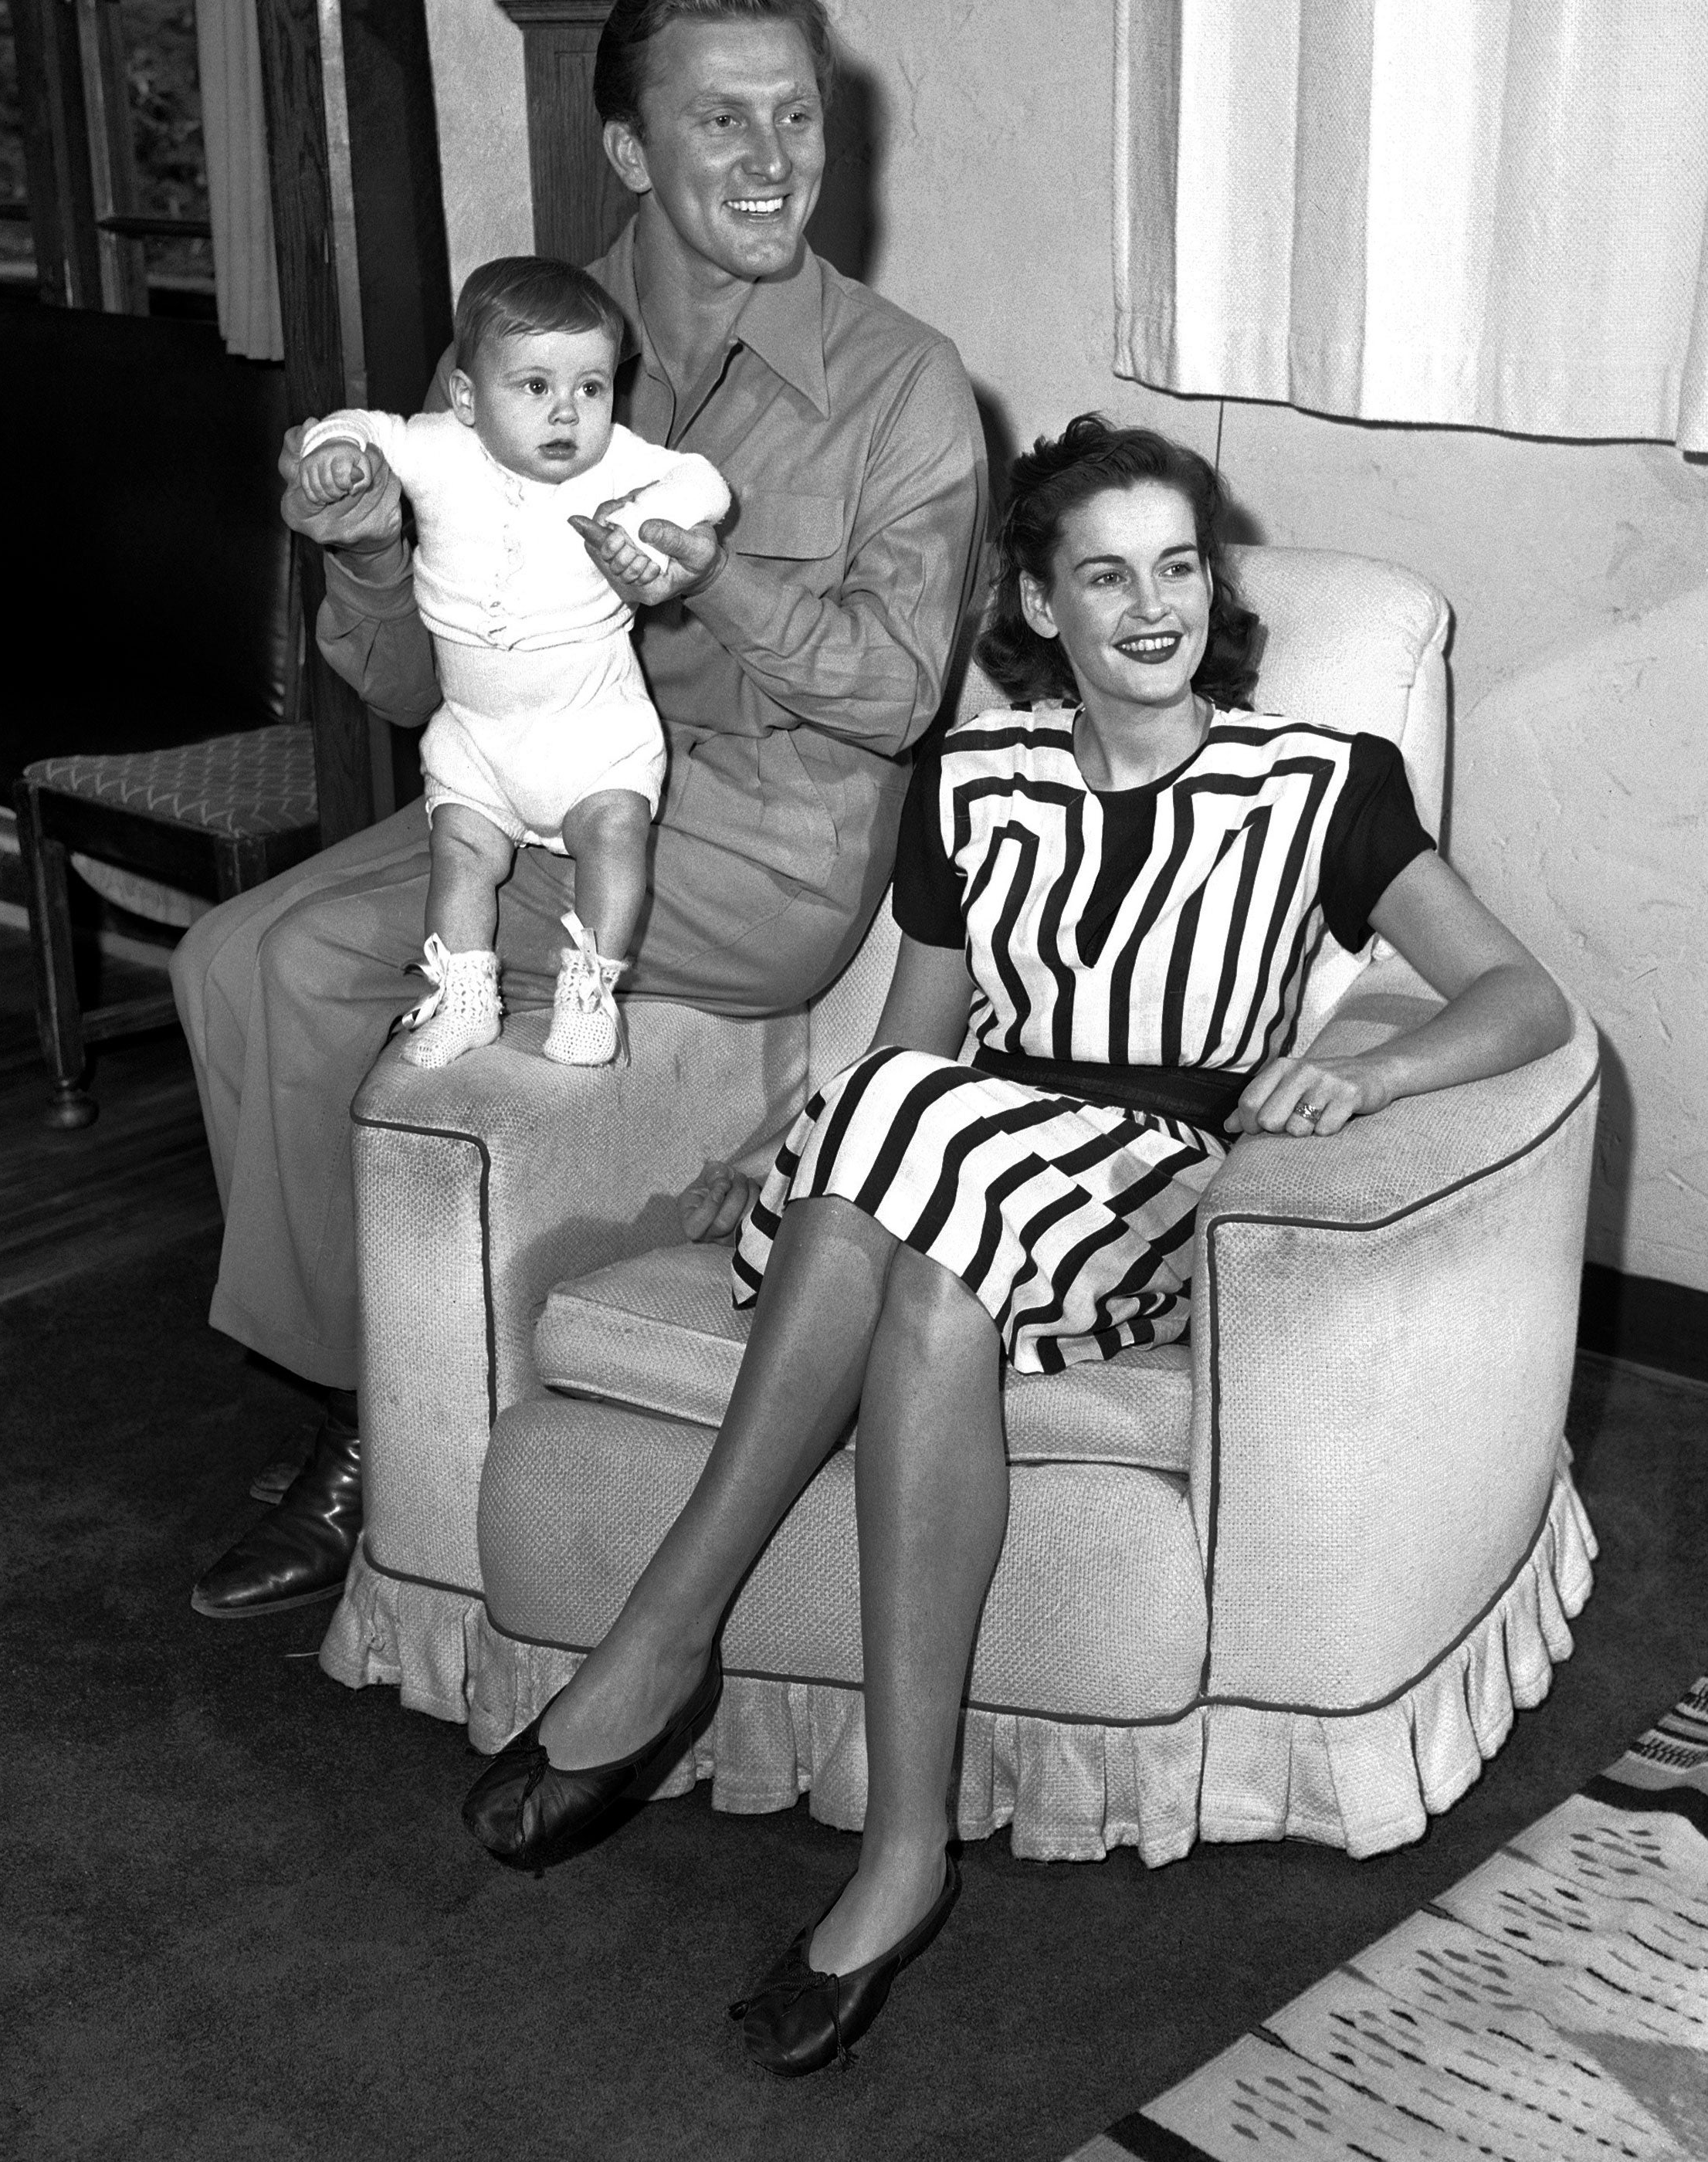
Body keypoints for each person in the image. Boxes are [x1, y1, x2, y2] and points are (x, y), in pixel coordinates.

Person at [458, 417, 1573, 2078]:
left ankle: (661, 1637)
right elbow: (914, 1046)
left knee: (917, 1146)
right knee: (923, 1255)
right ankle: (905, 1856)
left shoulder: (1323, 783)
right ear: (1041, 607)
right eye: (1106, 574)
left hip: (1149, 1181)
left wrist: (1370, 1066)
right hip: (955, 1184)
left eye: (1180, 568)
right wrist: (782, 1153)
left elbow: (1522, 998)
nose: (1152, 607)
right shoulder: (975, 782)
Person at [175, 0, 988, 1619]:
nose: (777, 161)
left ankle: (364, 1440)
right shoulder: (518, 343)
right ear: (625, 149)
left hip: (756, 853)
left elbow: (904, 699)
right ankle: (373, 1388)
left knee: (302, 965)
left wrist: (709, 580)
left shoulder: (906, 385)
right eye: (721, 121)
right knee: (223, 957)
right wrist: (373, 560)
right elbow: (408, 682)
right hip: (532, 786)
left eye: (799, 116)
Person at [295, 256, 730, 1069]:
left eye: (592, 388)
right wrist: (339, 452)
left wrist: (645, 516)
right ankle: (464, 997)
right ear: (466, 398)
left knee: (616, 832)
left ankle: (590, 992)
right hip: (478, 741)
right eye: (534, 387)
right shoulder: (437, 447)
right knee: (459, 853)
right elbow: (360, 425)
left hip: (594, 733)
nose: (567, 412)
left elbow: (703, 481)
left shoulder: (617, 464)